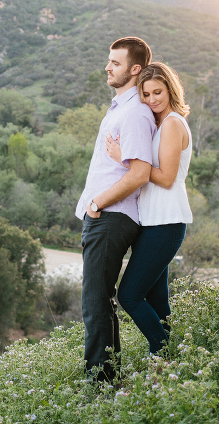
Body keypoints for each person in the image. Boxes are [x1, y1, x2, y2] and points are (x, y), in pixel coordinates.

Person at [74, 36, 156, 384]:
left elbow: (139, 173)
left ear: (135, 69)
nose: (108, 66)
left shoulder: (135, 113)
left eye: (116, 63)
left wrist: (97, 203)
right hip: (105, 216)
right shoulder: (121, 108)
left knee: (95, 305)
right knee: (100, 303)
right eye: (109, 60)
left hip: (110, 217)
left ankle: (100, 386)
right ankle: (107, 379)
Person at [106, 62, 193, 356]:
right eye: (146, 94)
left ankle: (164, 352)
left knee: (129, 295)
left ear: (171, 89)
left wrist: (125, 158)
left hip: (167, 222)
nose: (153, 99)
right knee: (158, 301)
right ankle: (172, 365)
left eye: (158, 91)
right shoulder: (160, 124)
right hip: (153, 221)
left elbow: (166, 178)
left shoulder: (171, 124)